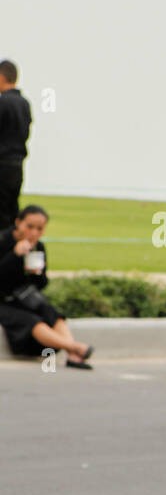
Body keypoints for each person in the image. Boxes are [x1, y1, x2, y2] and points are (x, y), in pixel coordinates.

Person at [0, 205, 94, 368]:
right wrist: (15, 255)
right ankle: (74, 347)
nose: (34, 233)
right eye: (29, 227)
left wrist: (36, 273)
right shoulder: (4, 241)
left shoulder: (38, 247)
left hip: (24, 299)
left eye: (40, 229)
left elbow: (42, 284)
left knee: (52, 313)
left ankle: (72, 355)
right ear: (18, 223)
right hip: (3, 301)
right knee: (33, 321)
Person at [0, 60, 32, 233]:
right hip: (17, 165)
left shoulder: (3, 102)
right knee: (13, 210)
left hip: (2, 164)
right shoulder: (24, 103)